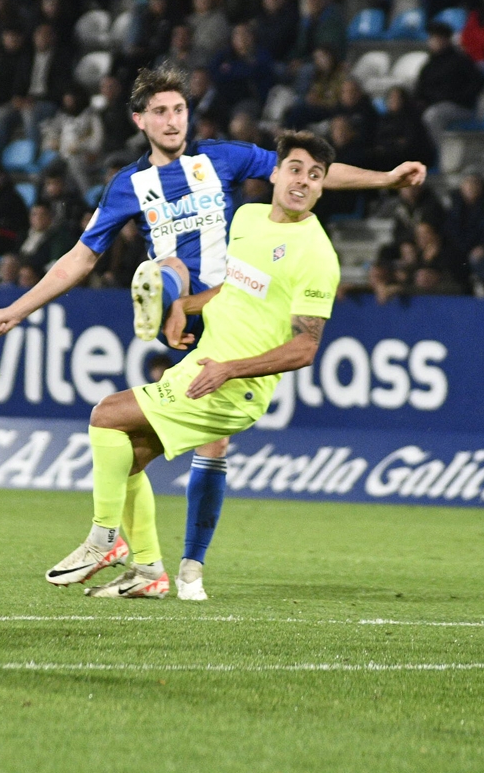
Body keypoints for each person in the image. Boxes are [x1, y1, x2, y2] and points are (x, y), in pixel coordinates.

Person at [0, 63, 426, 600]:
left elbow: (303, 172)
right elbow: (79, 257)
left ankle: (177, 567)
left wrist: (384, 179)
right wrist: (21, 308)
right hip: (193, 311)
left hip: (237, 308)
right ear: (140, 119)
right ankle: (155, 568)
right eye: (160, 112)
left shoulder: (220, 158)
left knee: (177, 444)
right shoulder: (130, 185)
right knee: (163, 291)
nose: (172, 121)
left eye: (179, 110)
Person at [41, 131, 340, 598]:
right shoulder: (247, 217)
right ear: (276, 172)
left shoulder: (315, 254)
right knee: (127, 462)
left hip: (230, 383)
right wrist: (186, 305)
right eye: (296, 169)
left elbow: (306, 347)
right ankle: (150, 573)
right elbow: (234, 289)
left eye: (315, 176)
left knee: (106, 415)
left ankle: (104, 543)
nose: (303, 181)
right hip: (204, 362)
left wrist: (229, 369)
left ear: (322, 188)